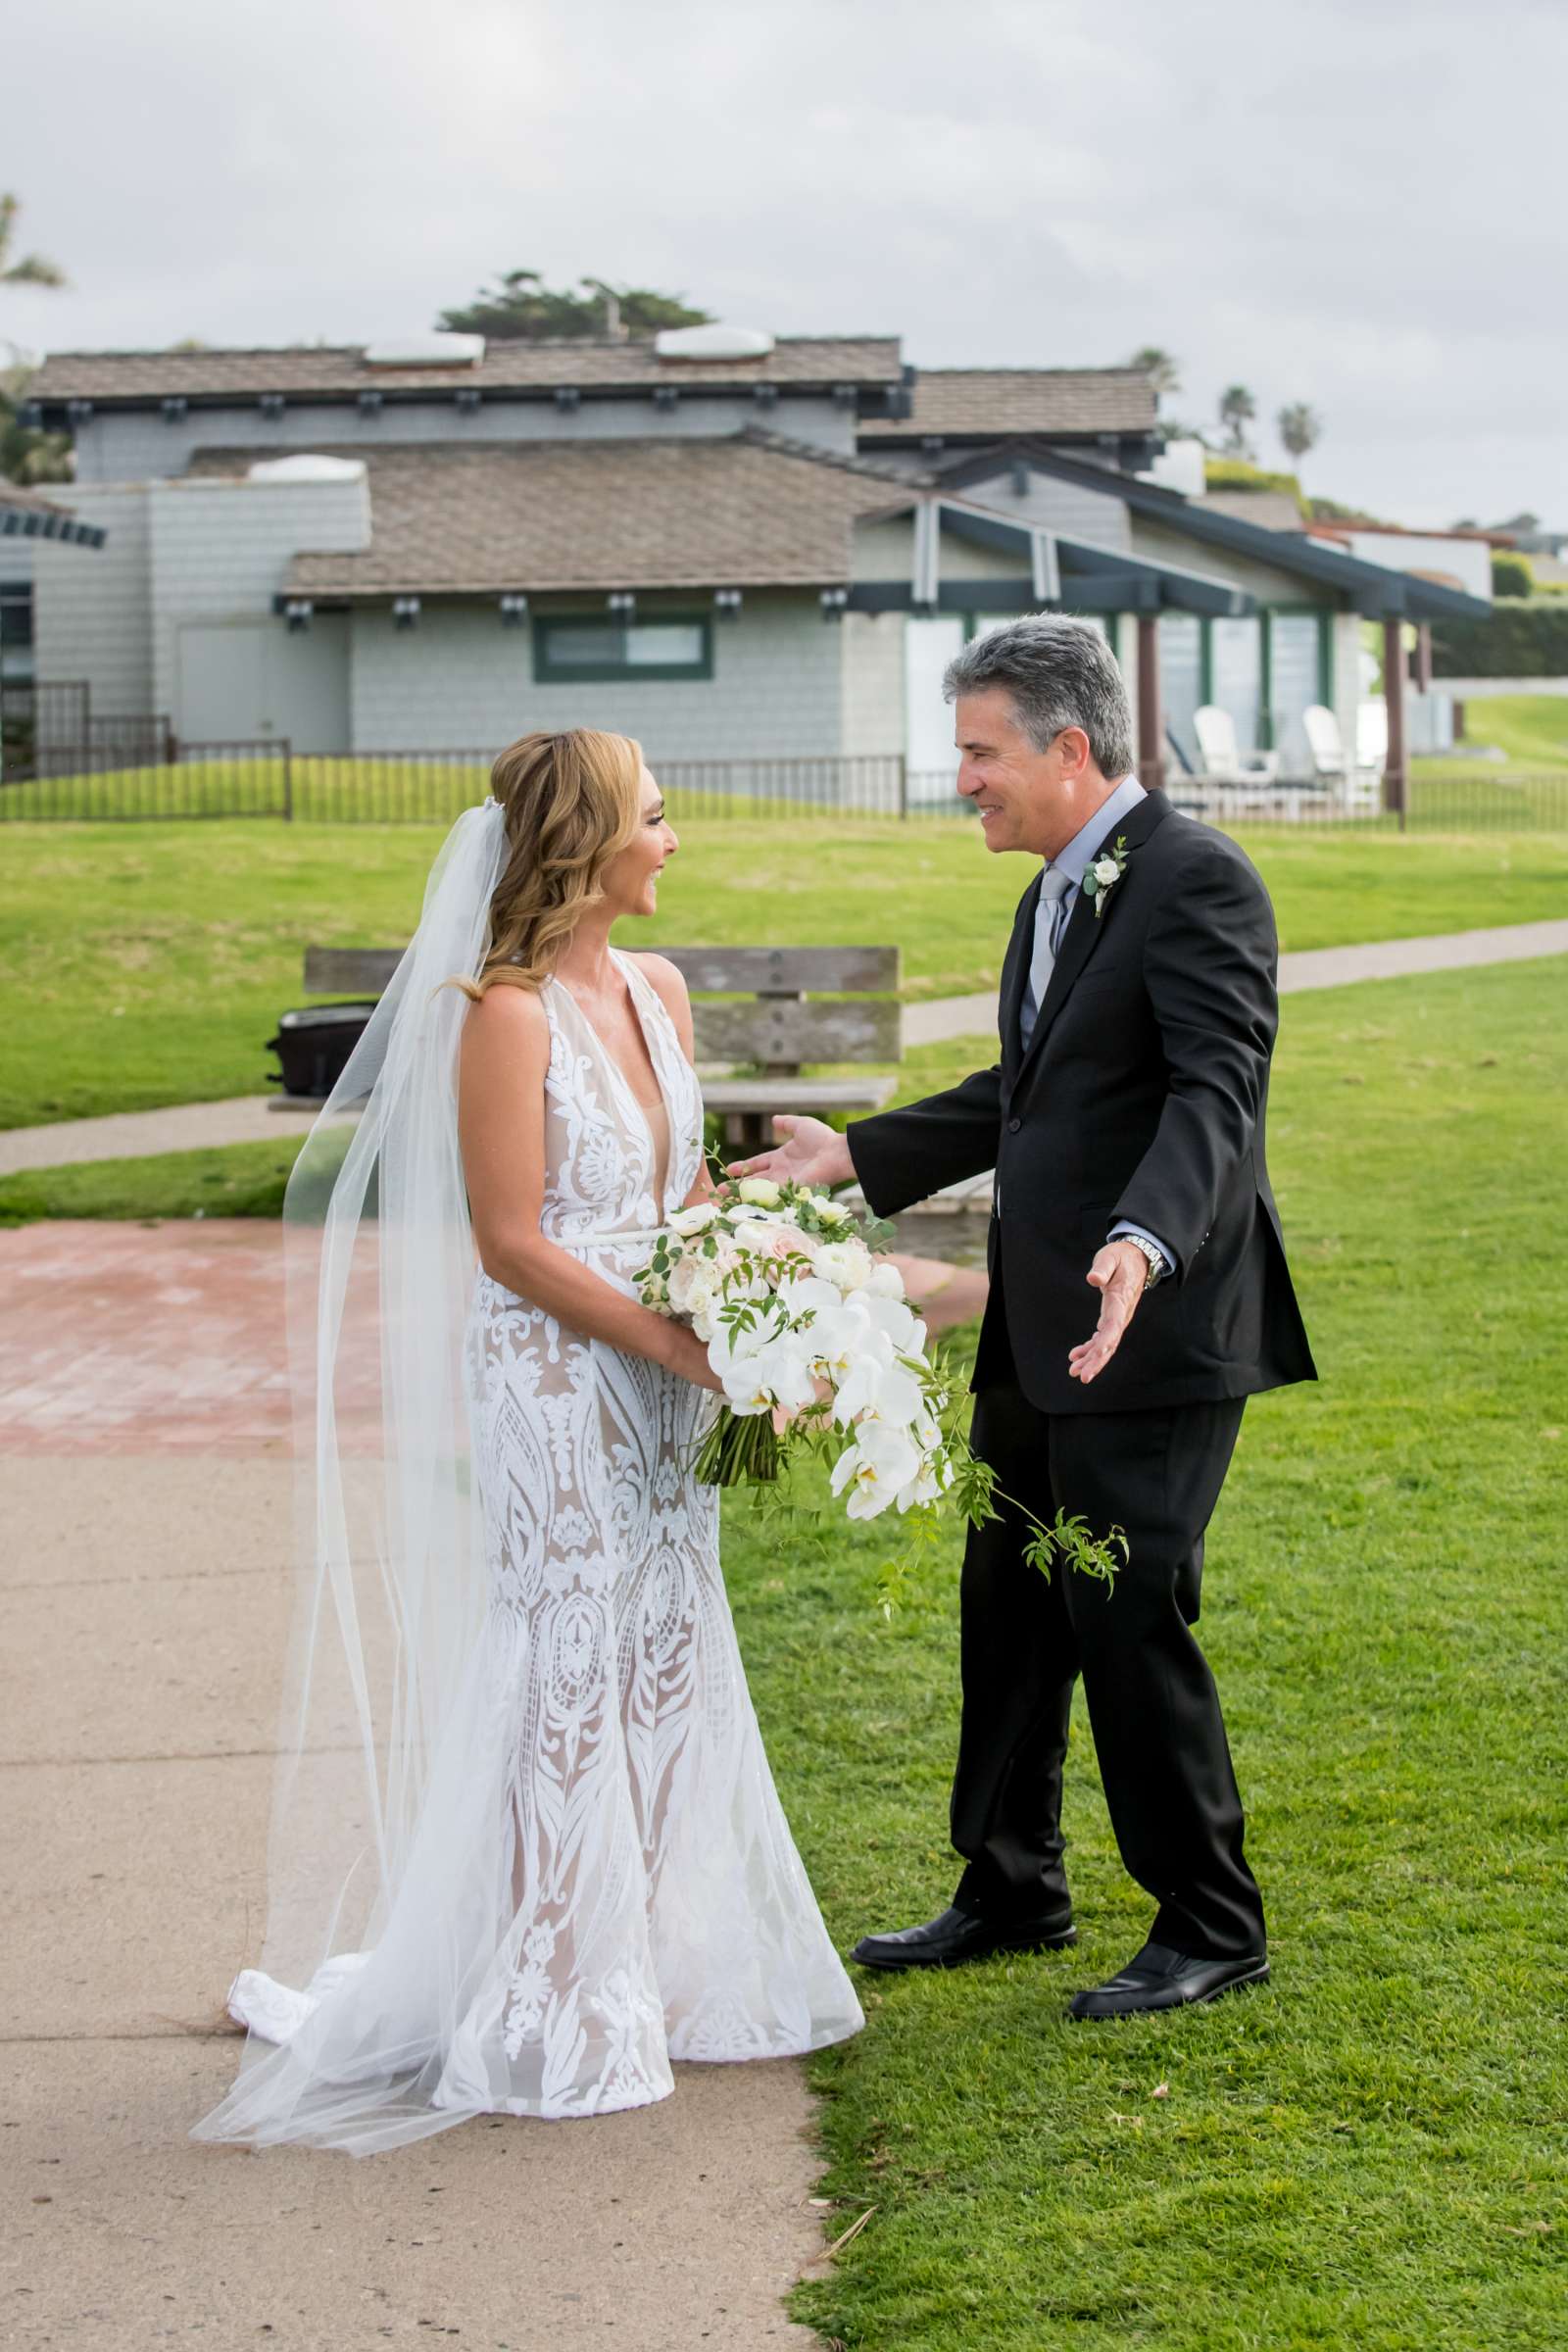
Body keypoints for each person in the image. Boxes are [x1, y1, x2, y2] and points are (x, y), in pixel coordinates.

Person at [191, 729, 861, 2155]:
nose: (675, 843)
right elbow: (509, 1245)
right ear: (591, 842)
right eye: (657, 820)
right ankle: (557, 1985)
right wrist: (685, 1344)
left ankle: (665, 1966)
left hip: (675, 1378)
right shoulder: (501, 1015)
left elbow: (681, 1196)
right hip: (558, 1377)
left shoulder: (662, 988)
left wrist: (765, 1302)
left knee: (669, 1636)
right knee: (567, 1648)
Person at [734, 617, 1316, 2020]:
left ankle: (1210, 1920)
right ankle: (1012, 1884)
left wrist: (1142, 1239)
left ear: (1069, 748)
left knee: (1124, 1613)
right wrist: (856, 1158)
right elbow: (1035, 1089)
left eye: (980, 753)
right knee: (1007, 1608)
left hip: (1152, 1328)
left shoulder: (1196, 881)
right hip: (1043, 1331)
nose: (963, 783)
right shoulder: (1058, 889)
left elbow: (1212, 1096)